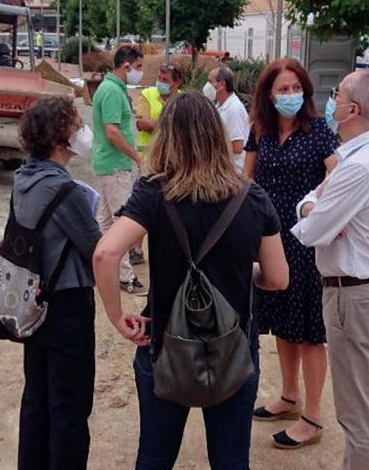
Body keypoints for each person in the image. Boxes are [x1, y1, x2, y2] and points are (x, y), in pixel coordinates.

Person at [93, 92, 289, 469]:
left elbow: (105, 253)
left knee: (154, 456)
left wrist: (118, 318)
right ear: (217, 136)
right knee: (231, 460)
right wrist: (240, 271)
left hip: (165, 345)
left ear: (166, 136)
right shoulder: (253, 198)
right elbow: (278, 278)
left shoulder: (153, 194)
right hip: (234, 349)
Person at [292, 70, 369, 470]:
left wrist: (312, 209)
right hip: (363, 289)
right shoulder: (367, 155)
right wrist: (314, 206)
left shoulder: (357, 166)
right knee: (359, 401)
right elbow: (316, 212)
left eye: (337, 94)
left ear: (352, 109)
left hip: (352, 295)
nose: (331, 99)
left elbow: (310, 231)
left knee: (356, 410)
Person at [244, 58, 339, 450]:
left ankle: (313, 415)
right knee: (282, 323)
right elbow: (246, 180)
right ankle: (287, 395)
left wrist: (318, 204)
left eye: (295, 88)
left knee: (310, 331)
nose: (290, 96)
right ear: (269, 93)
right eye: (282, 89)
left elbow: (338, 175)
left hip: (306, 243)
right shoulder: (260, 130)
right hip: (269, 239)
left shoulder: (318, 131)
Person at [13, 96, 102, 470]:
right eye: (76, 125)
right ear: (58, 139)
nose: (82, 132)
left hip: (32, 300)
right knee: (69, 405)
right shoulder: (66, 192)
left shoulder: (23, 179)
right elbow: (96, 250)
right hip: (68, 305)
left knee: (37, 397)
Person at [91, 46, 147, 296]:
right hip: (115, 166)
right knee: (123, 222)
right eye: (139, 67)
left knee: (105, 222)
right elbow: (113, 131)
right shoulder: (112, 91)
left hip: (109, 164)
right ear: (126, 66)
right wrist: (136, 157)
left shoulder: (112, 88)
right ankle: (125, 276)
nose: (140, 73)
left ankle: (103, 267)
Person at [131, 62, 183, 266]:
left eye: (165, 80)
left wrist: (156, 124)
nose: (160, 82)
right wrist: (169, 125)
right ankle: (136, 249)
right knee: (144, 203)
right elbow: (141, 123)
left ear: (177, 82)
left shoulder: (182, 98)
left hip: (175, 161)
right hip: (149, 161)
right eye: (160, 78)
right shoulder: (148, 94)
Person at [204, 67, 249, 174]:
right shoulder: (219, 105)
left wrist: (210, 146)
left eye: (210, 82)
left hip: (234, 172)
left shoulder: (234, 109)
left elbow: (237, 147)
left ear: (222, 84)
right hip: (223, 169)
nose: (207, 86)